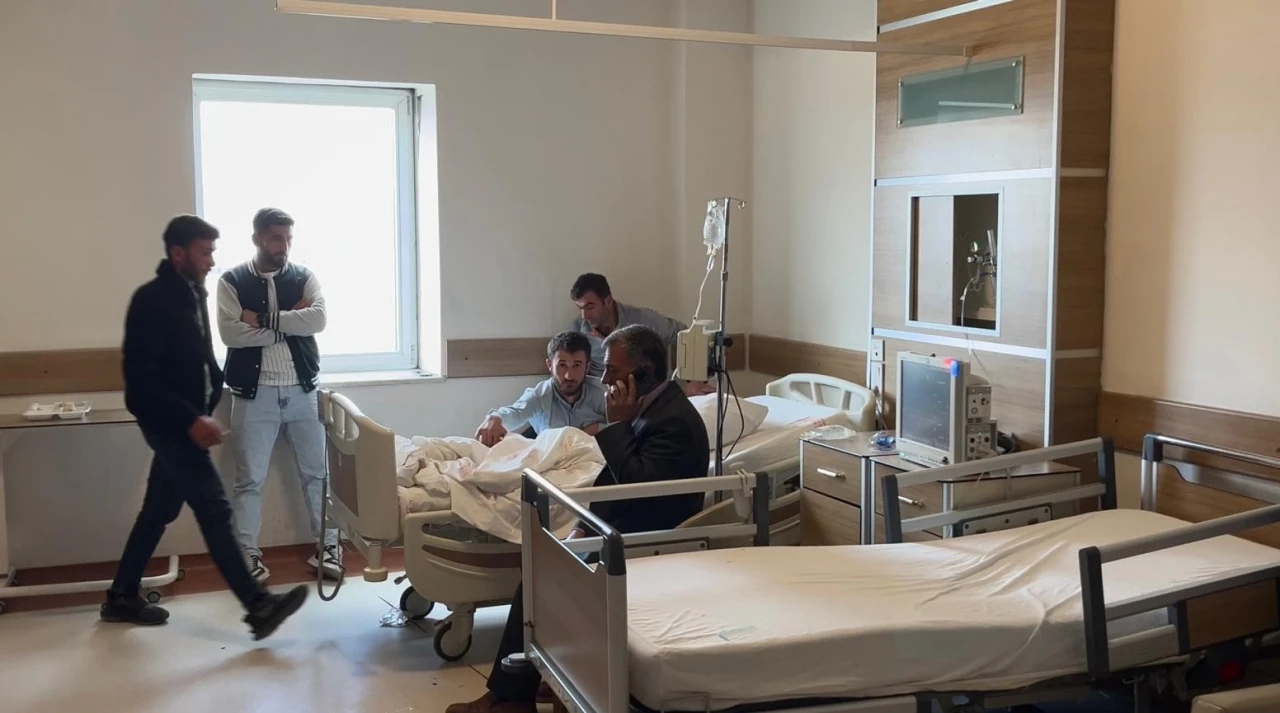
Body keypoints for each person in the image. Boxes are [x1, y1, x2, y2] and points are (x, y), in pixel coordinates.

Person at [447, 325, 709, 713]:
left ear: (645, 373)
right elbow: (615, 479)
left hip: (646, 537)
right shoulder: (652, 407)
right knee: (541, 571)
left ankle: (511, 699)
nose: (603, 380)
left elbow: (638, 486)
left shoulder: (672, 421)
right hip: (620, 528)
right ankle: (534, 681)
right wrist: (583, 526)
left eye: (613, 371)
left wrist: (617, 425)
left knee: (540, 581)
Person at [102, 214, 307, 640]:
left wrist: (211, 397)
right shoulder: (151, 300)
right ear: (178, 253)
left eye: (213, 252)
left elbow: (200, 360)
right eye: (205, 252)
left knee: (158, 510)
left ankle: (121, 596)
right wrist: (191, 420)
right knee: (214, 508)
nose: (212, 261)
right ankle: (258, 606)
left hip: (189, 422)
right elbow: (141, 383)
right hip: (171, 427)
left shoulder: (192, 293)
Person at [216, 208, 339, 584]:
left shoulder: (303, 276)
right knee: (249, 480)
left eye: (288, 239)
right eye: (275, 238)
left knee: (318, 475)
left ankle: (329, 547)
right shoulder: (232, 281)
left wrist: (262, 320)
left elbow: (317, 320)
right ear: (256, 238)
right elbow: (231, 335)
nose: (283, 246)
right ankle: (247, 554)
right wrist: (290, 322)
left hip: (303, 390)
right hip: (254, 396)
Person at [569, 272, 715, 395]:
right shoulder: (578, 330)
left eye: (590, 307)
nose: (584, 315)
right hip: (602, 402)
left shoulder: (643, 319)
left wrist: (687, 383)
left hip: (650, 397)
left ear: (608, 301)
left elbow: (686, 335)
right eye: (580, 308)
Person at [474, 331, 607, 447]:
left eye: (577, 366)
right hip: (553, 462)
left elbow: (619, 426)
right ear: (550, 365)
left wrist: (597, 428)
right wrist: (495, 418)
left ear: (587, 367)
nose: (569, 375)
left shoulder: (602, 393)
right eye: (562, 365)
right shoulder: (540, 395)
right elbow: (516, 412)